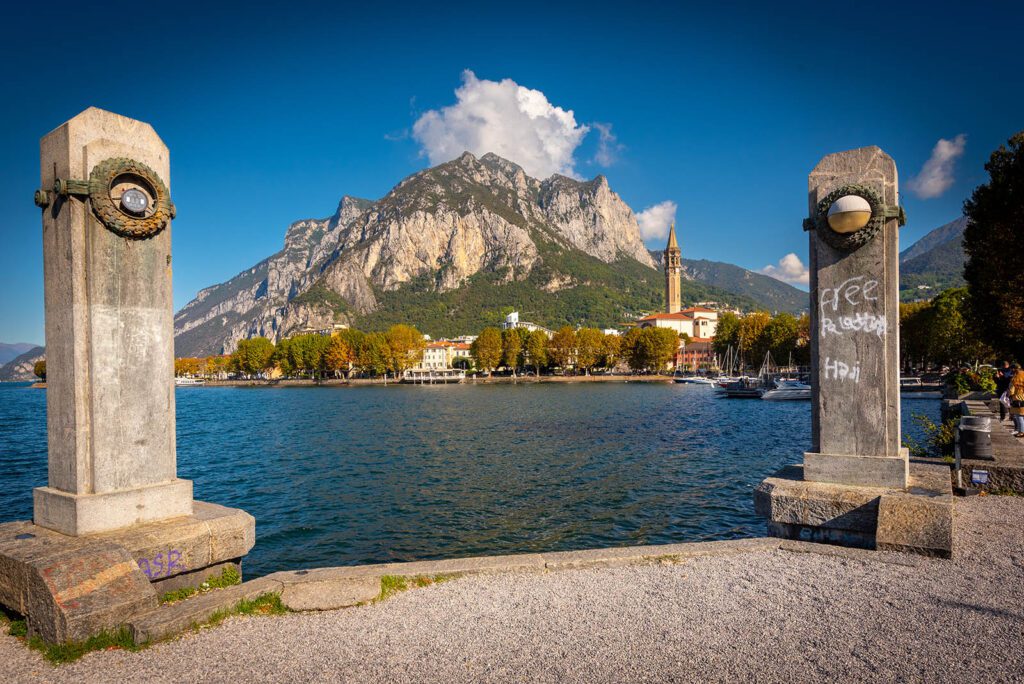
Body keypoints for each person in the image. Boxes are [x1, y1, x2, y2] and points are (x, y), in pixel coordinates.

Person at [1010, 365, 1024, 438]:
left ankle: (1021, 432)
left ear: (1014, 369)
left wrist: (1010, 395)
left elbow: (1011, 388)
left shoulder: (1016, 377)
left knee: (1019, 416)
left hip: (1018, 397)